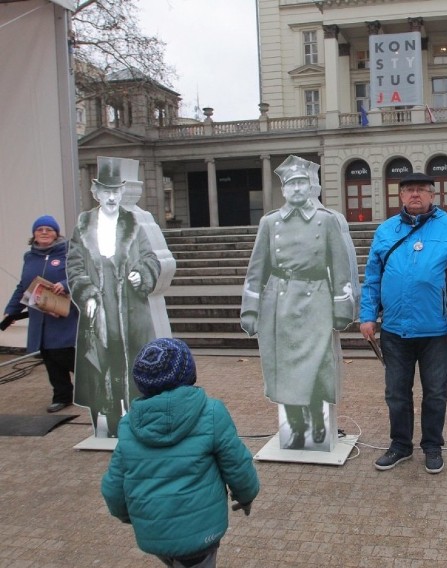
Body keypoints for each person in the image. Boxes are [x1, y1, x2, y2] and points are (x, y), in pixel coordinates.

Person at [101, 338, 260, 568]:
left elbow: (113, 486)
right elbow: (237, 465)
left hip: (154, 531)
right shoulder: (211, 412)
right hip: (202, 532)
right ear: (189, 373)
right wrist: (246, 495)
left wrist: (130, 516)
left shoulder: (128, 424)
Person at [240, 155, 358, 450]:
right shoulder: (270, 223)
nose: (296, 189)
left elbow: (341, 266)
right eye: (291, 184)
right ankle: (294, 425)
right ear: (283, 189)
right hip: (279, 303)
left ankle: (319, 423)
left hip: (315, 296)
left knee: (317, 365)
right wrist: (250, 309)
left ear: (311, 187)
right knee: (285, 367)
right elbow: (256, 270)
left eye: (301, 183)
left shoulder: (326, 220)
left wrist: (342, 307)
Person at [360, 171, 447, 474]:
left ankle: (433, 446)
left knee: (435, 392)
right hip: (395, 329)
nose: (415, 195)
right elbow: (372, 277)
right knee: (396, 392)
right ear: (399, 196)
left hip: (436, 331)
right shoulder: (386, 231)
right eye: (409, 190)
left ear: (433, 196)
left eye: (422, 190)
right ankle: (400, 445)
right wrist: (368, 316)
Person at [67, 156, 161, 438]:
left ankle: (136, 422)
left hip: (132, 311)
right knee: (102, 364)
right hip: (99, 310)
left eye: (116, 191)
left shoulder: (134, 225)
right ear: (95, 193)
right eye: (106, 191)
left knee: (134, 366)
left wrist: (142, 273)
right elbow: (74, 266)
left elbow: (150, 259)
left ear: (122, 192)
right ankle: (106, 423)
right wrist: (87, 294)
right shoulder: (84, 225)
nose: (111, 196)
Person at [3, 215, 79, 413]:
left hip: (64, 316)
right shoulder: (29, 257)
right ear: (34, 235)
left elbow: (80, 276)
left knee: (65, 355)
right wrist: (11, 311)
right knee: (49, 358)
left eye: (49, 229)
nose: (44, 232)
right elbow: (23, 286)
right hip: (40, 317)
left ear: (56, 234)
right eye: (40, 229)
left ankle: (96, 388)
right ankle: (62, 396)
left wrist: (63, 285)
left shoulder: (69, 253)